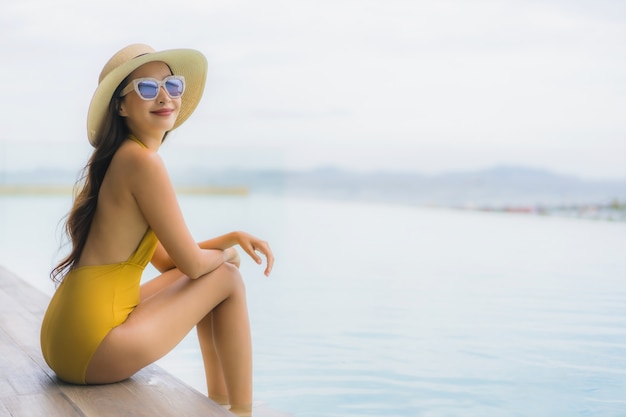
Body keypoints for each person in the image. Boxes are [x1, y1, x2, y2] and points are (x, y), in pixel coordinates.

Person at [40, 44, 274, 417]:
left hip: (64, 339)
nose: (164, 96)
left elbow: (171, 262)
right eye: (147, 88)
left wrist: (228, 238)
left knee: (217, 275)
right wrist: (228, 254)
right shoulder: (143, 162)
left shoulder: (121, 158)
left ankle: (219, 403)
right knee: (226, 278)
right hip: (91, 347)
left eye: (172, 85)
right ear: (121, 106)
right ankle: (240, 410)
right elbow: (196, 267)